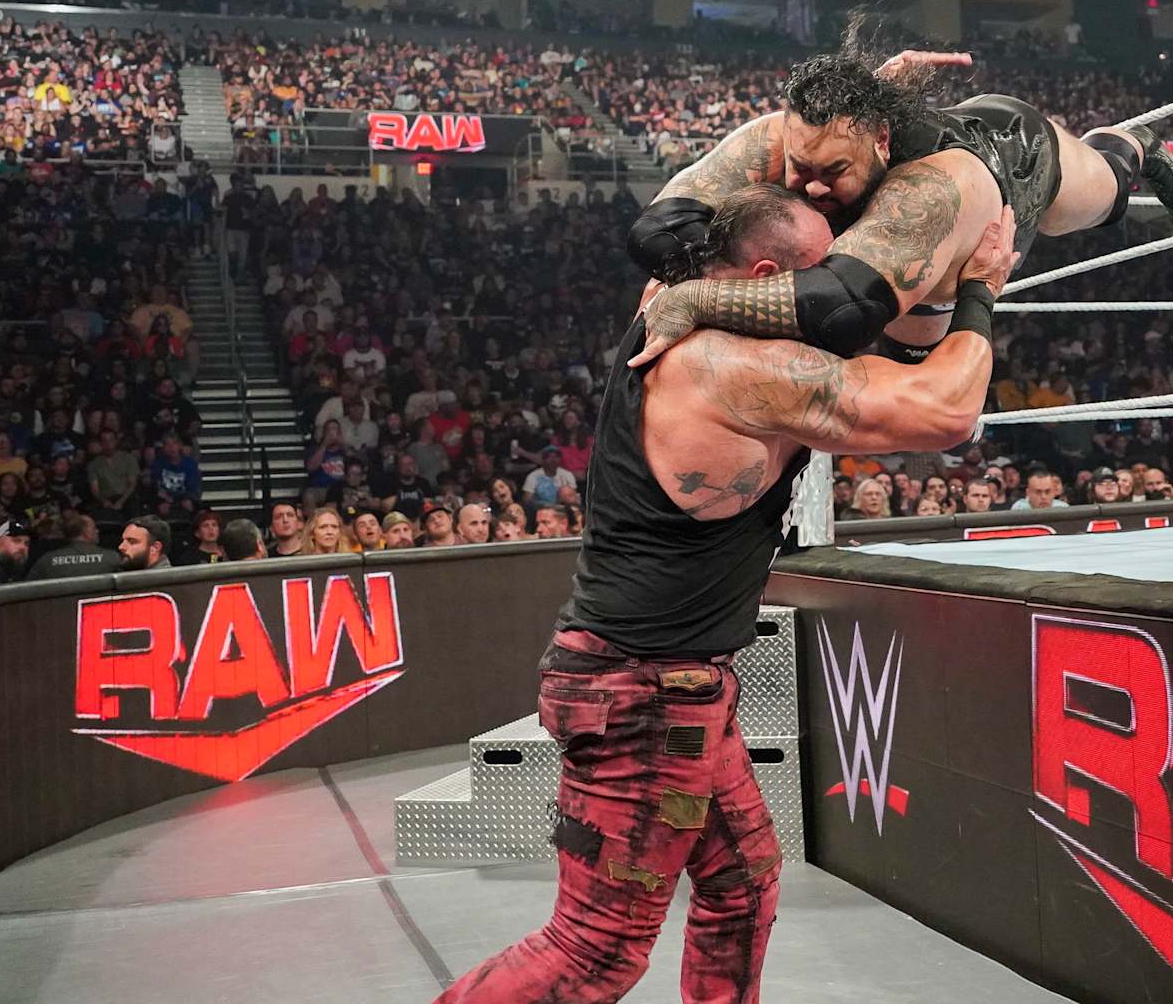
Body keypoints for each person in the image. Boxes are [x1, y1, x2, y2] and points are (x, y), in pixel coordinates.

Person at [433, 184, 1014, 1003]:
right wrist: (982, 287)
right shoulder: (737, 363)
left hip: (677, 686)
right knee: (594, 951)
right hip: (640, 695)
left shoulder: (669, 300)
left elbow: (727, 174)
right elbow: (945, 411)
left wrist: (847, 119)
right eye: (830, 274)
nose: (848, 287)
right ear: (772, 274)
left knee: (742, 886)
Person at [627, 36, 1173, 366]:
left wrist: (700, 296)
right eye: (802, 166)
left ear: (880, 141)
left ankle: (1141, 144)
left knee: (1105, 196)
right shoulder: (779, 141)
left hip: (1011, 156)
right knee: (909, 349)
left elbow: (841, 302)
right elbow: (657, 228)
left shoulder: (923, 188)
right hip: (925, 244)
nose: (812, 188)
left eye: (835, 171)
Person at [29, 512, 123, 579]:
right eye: (94, 528)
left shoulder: (47, 560)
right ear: (86, 532)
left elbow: (27, 589)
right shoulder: (111, 558)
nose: (97, 531)